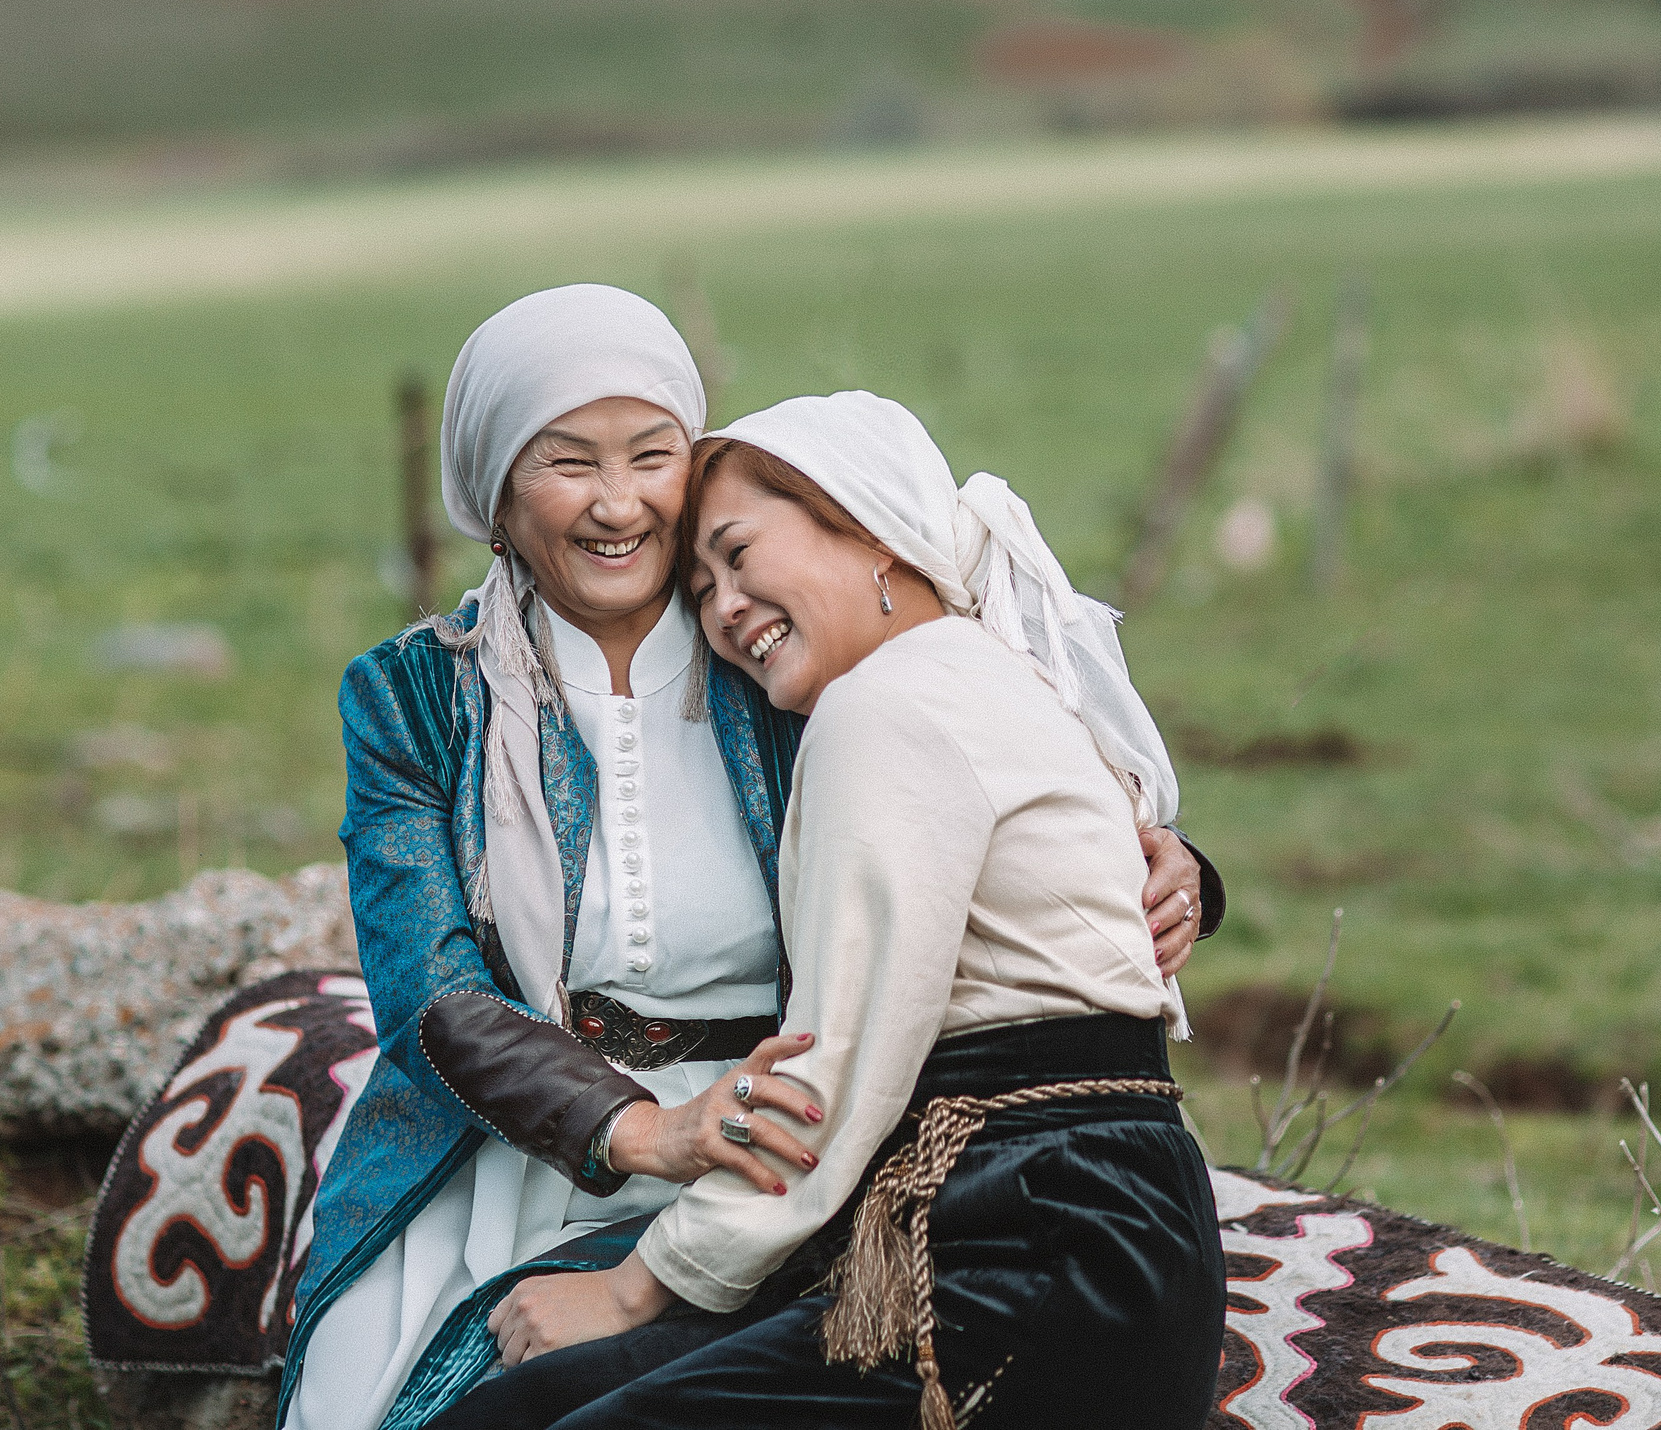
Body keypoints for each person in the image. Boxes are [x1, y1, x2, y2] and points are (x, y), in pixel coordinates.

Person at [281, 288, 1221, 1430]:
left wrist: (1170, 869)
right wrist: (641, 1132)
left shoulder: (791, 664)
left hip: (779, 1144)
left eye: (651, 456)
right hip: (520, 1145)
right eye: (566, 461)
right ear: (492, 492)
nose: (617, 501)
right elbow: (430, 995)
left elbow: (991, 807)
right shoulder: (418, 695)